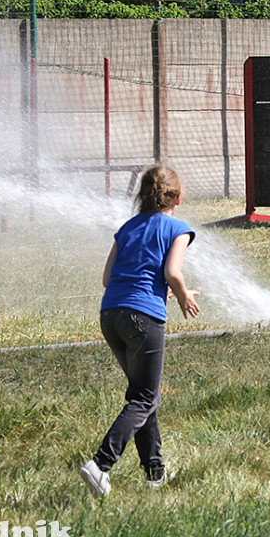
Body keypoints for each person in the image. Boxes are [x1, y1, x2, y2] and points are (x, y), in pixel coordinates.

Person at [79, 164, 200, 497]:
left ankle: (155, 472)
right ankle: (100, 465)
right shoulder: (178, 228)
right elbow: (172, 271)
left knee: (145, 395)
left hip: (111, 314)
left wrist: (158, 287)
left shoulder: (127, 227)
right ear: (176, 196)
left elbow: (107, 279)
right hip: (143, 318)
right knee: (144, 396)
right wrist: (183, 293)